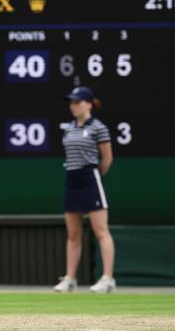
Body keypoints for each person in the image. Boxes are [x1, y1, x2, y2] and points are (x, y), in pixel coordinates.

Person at [54, 86, 116, 294]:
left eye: (78, 102)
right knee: (73, 234)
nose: (74, 106)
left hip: (90, 178)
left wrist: (95, 175)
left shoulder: (99, 127)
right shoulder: (68, 128)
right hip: (72, 179)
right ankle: (70, 278)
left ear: (89, 104)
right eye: (71, 102)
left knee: (100, 230)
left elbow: (107, 159)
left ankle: (108, 278)